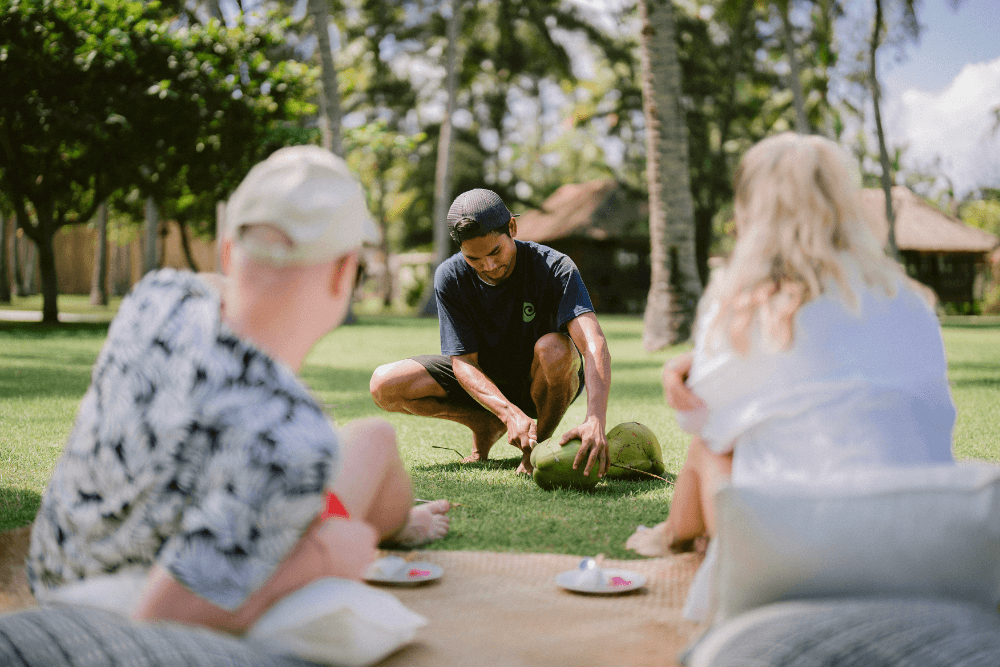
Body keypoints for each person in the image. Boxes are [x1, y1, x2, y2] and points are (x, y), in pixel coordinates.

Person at [23, 145, 451, 642]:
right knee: (359, 474)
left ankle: (402, 523)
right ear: (342, 274)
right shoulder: (291, 440)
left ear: (228, 252)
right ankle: (391, 527)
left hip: (53, 571)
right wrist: (325, 556)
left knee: (375, 438)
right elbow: (156, 624)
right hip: (110, 620)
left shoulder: (156, 297)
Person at [625, 133, 955, 613]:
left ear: (750, 211)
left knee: (712, 443)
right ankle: (674, 537)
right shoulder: (909, 300)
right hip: (916, 550)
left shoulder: (743, 304)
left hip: (792, 569)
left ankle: (672, 538)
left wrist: (683, 377)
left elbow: (700, 421)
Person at [370, 189, 612, 477]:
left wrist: (595, 418)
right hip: (485, 382)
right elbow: (463, 362)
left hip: (542, 380)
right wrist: (507, 413)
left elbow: (593, 343)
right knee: (384, 384)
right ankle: (486, 423)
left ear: (512, 227)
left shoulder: (555, 267)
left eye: (496, 251)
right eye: (474, 258)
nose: (489, 266)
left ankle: (537, 447)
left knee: (556, 347)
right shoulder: (450, 276)